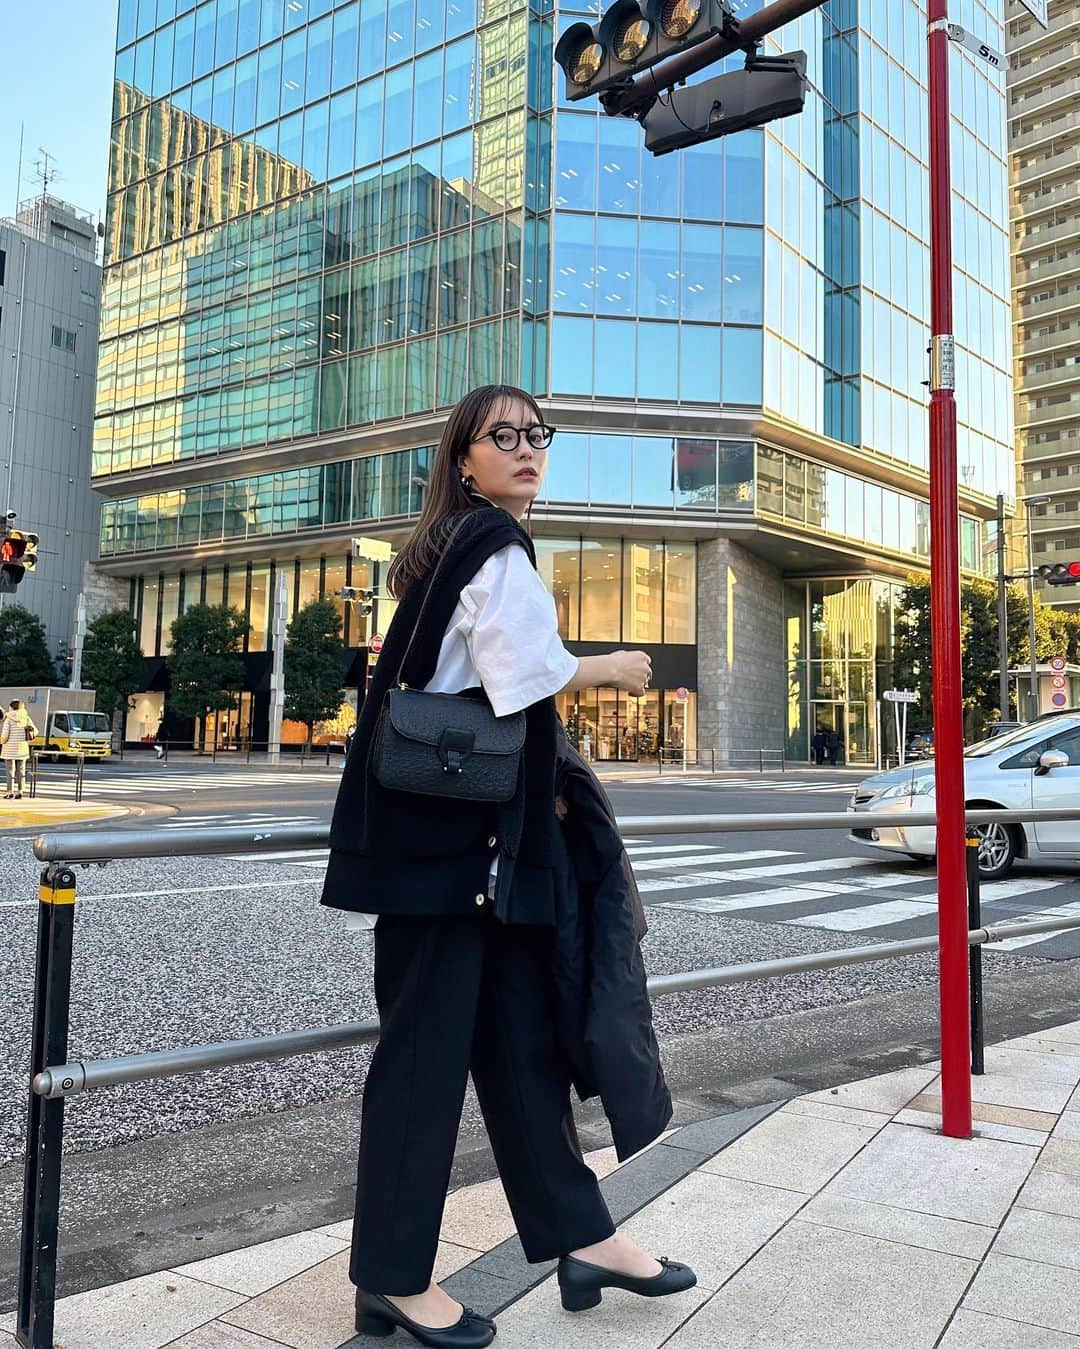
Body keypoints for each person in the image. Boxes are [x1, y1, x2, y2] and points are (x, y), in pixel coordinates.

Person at [321, 385, 695, 1348]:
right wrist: (613, 665)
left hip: (468, 858)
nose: (527, 448)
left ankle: (583, 1237)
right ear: (464, 459)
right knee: (421, 1066)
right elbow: (526, 673)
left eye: (538, 435)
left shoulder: (452, 548)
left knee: (520, 1054)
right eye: (504, 436)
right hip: (453, 861)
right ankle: (393, 1279)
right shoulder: (495, 549)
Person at [2, 699, 38, 799]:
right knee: (21, 770)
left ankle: (10, 792)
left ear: (11, 707)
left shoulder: (8, 719)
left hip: (9, 749)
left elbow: (5, 735)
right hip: (22, 748)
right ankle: (20, 791)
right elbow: (35, 731)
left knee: (10, 770)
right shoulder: (26, 718)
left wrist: (2, 742)